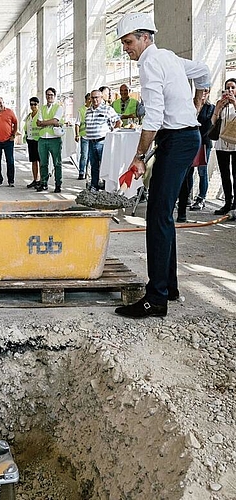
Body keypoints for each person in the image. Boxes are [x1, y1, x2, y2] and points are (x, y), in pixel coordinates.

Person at [113, 13, 210, 318]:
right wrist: (197, 102)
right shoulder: (168, 57)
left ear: (145, 37)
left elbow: (153, 118)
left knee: (157, 215)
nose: (126, 49)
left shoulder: (151, 63)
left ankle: (156, 298)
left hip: (178, 139)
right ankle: (169, 285)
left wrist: (139, 157)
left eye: (128, 42)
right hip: (181, 138)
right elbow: (204, 71)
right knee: (162, 214)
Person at [176, 88, 215, 220]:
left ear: (208, 92)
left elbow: (208, 125)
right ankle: (186, 197)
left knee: (202, 171)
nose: (203, 93)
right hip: (191, 143)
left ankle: (201, 198)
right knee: (189, 172)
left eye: (206, 91)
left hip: (204, 142)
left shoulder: (211, 108)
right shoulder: (192, 105)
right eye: (201, 90)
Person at [84, 89, 121, 191]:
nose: (94, 99)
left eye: (97, 97)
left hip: (103, 142)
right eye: (92, 97)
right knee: (94, 165)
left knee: (105, 165)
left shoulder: (107, 109)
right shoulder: (88, 111)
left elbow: (118, 121)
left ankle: (106, 187)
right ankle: (94, 185)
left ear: (101, 98)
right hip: (91, 142)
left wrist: (114, 132)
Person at [211, 79, 236, 215]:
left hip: (235, 144)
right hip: (221, 144)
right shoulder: (222, 104)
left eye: (232, 88)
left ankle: (235, 205)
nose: (230, 90)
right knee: (225, 174)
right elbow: (213, 122)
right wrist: (218, 108)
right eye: (228, 88)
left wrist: (234, 103)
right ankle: (227, 202)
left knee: (235, 174)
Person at [36, 87, 64, 193]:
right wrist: (50, 122)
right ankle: (44, 183)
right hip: (43, 139)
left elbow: (56, 120)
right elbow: (38, 123)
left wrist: (44, 122)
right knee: (43, 163)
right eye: (47, 95)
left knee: (57, 162)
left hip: (54, 139)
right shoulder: (42, 108)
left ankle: (58, 184)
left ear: (54, 96)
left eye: (51, 95)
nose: (49, 97)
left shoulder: (58, 108)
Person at [23, 96, 40, 188]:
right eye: (31, 104)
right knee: (33, 161)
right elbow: (26, 127)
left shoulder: (40, 115)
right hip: (30, 140)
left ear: (38, 105)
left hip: (38, 140)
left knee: (40, 161)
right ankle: (35, 179)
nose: (33, 106)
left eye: (35, 104)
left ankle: (41, 180)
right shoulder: (29, 116)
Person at [74, 93, 91, 181]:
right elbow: (77, 124)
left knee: (90, 157)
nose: (90, 101)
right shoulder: (81, 110)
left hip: (93, 137)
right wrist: (77, 135)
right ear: (85, 100)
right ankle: (81, 172)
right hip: (84, 136)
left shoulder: (95, 110)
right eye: (88, 99)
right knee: (84, 155)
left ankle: (87, 173)